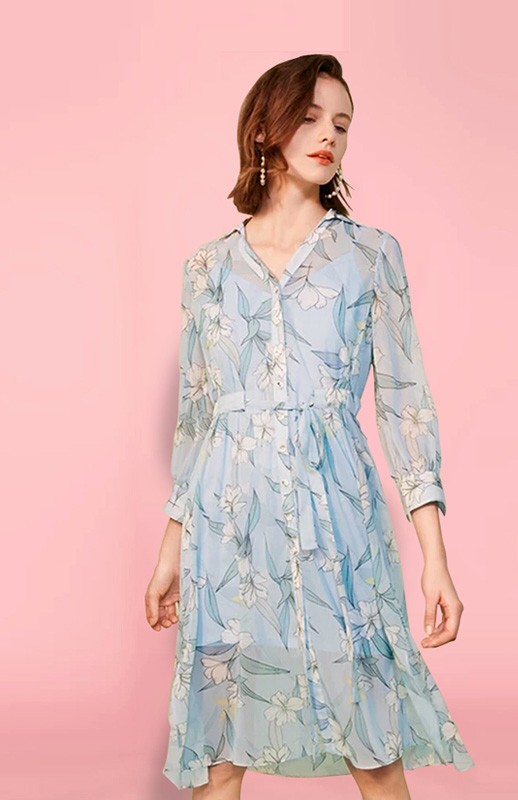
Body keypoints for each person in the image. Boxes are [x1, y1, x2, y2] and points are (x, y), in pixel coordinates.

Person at [145, 54, 475, 799]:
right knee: (217, 744)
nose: (330, 136)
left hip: (339, 525)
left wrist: (435, 558)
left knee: (370, 731)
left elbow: (405, 405)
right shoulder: (206, 270)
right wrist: (170, 549)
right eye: (311, 117)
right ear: (265, 129)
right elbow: (197, 421)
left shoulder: (370, 256)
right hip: (226, 529)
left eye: (343, 124)